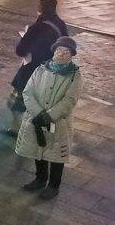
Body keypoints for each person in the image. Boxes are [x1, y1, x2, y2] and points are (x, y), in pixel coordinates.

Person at [15, 36, 82, 200]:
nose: (62, 53)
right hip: (37, 118)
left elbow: (70, 100)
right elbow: (28, 91)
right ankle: (40, 178)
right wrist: (38, 113)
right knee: (39, 148)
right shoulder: (41, 69)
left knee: (56, 153)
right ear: (54, 51)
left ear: (72, 55)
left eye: (66, 51)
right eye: (59, 50)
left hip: (58, 122)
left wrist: (50, 115)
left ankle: (53, 185)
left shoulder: (74, 76)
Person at [4, 0, 68, 136]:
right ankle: (47, 133)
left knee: (17, 103)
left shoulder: (36, 27)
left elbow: (20, 50)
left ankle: (16, 130)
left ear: (41, 10)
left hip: (31, 71)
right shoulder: (61, 25)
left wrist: (25, 38)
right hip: (52, 72)